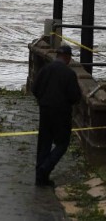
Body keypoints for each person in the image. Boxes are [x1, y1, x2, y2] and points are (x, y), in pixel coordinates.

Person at [32, 45, 82, 187]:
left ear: (57, 55)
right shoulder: (69, 73)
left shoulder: (46, 69)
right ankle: (45, 168)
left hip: (45, 110)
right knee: (62, 143)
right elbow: (74, 97)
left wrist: (43, 100)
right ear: (67, 57)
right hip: (61, 113)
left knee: (44, 143)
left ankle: (40, 178)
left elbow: (35, 88)